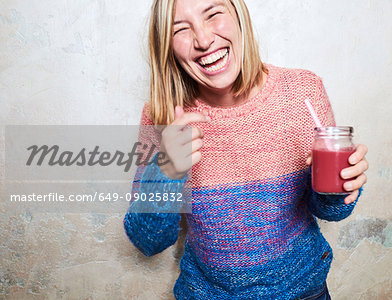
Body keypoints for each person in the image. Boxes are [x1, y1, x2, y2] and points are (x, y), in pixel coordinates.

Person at [123, 0, 369, 299]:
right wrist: (166, 171)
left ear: (238, 16)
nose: (203, 40)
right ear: (168, 47)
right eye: (181, 30)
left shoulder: (304, 92)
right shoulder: (162, 116)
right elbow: (148, 241)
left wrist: (341, 186)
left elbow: (330, 211)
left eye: (213, 14)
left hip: (304, 292)